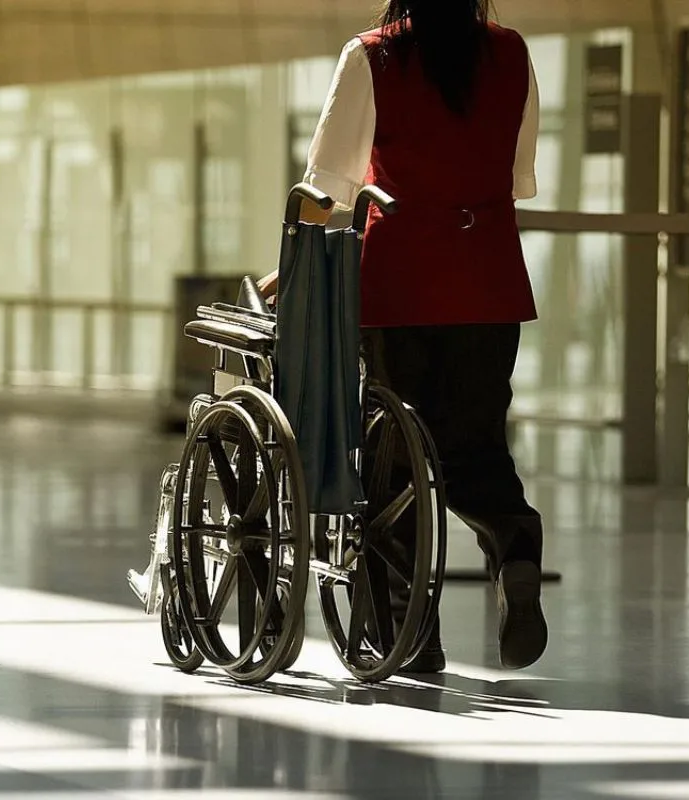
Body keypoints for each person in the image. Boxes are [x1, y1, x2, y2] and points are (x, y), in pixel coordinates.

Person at [258, 0, 546, 671]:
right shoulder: (511, 53)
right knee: (476, 444)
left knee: (395, 460)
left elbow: (327, 185)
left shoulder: (373, 55)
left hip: (400, 284)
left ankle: (408, 634)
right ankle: (515, 546)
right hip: (489, 280)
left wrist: (293, 266)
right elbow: (515, 175)